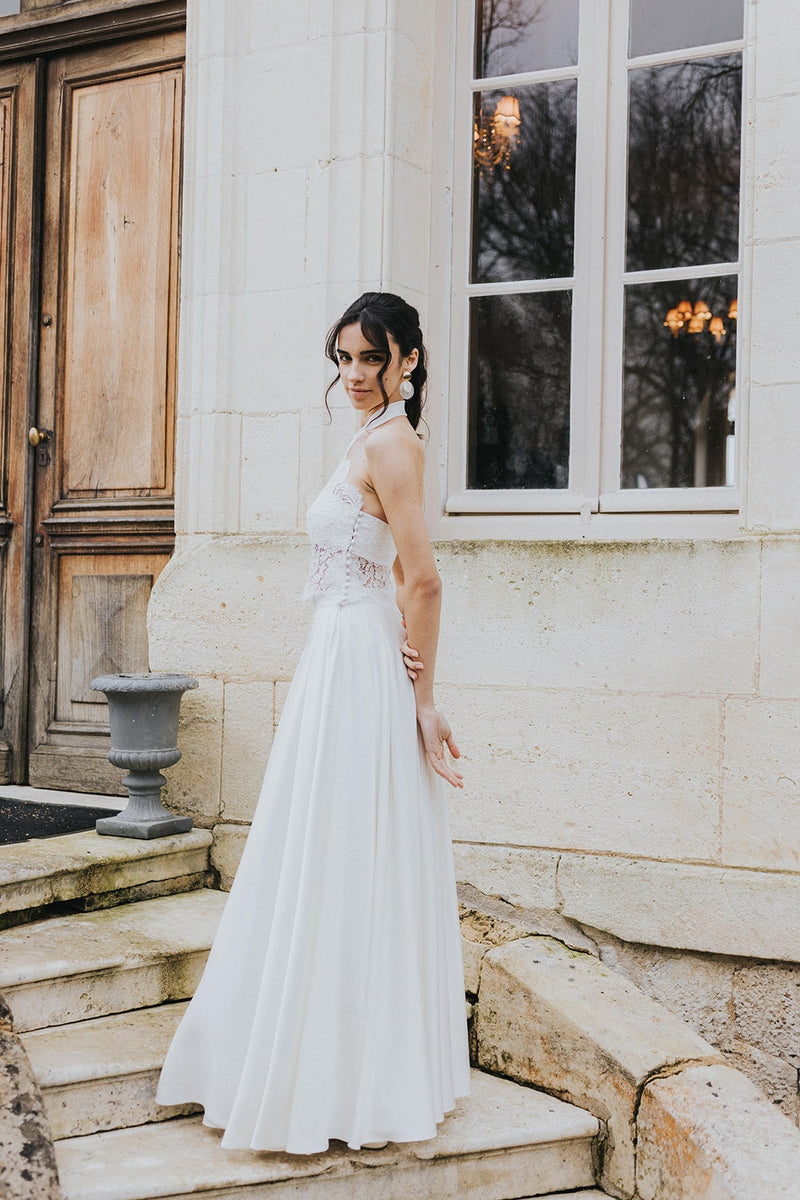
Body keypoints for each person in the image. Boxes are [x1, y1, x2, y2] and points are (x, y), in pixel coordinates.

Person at [155, 292, 471, 1154]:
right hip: (337, 651)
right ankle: (303, 1053)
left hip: (363, 660)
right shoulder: (369, 440)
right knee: (317, 845)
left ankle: (346, 1078)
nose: (357, 375)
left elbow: (424, 578)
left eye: (373, 358)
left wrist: (424, 695)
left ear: (407, 358)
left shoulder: (397, 445)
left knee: (346, 844)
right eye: (344, 359)